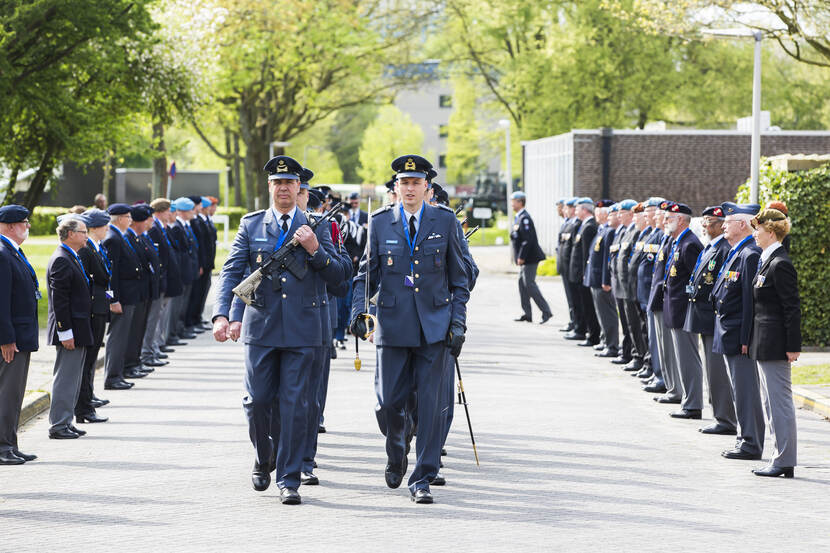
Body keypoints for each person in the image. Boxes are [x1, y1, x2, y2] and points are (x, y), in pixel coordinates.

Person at [213, 155, 345, 505]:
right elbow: (232, 271)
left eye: (290, 183)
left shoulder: (317, 225)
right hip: (262, 328)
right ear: (270, 187)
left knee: (295, 406)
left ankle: (288, 478)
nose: (284, 188)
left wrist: (315, 251)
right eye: (277, 183)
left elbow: (340, 277)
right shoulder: (251, 225)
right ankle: (263, 455)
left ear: (299, 187)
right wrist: (222, 315)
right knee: (256, 401)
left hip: (304, 331)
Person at [350, 154, 470, 505]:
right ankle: (397, 448)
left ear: (426, 187)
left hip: (434, 327)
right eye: (404, 183)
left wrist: (457, 322)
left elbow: (460, 280)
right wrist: (360, 311)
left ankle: (422, 476)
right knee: (388, 403)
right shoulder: (380, 222)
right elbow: (364, 275)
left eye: (416, 182)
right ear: (397, 187)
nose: (410, 188)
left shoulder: (445, 221)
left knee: (431, 406)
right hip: (392, 326)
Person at [749, 208, 800, 478]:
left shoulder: (781, 263)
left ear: (770, 232)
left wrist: (793, 346)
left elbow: (791, 307)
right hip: (764, 341)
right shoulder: (767, 260)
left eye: (758, 229)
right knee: (770, 403)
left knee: (779, 402)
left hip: (776, 343)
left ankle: (784, 459)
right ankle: (779, 456)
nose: (755, 234)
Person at [712, 202, 765, 460]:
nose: (723, 224)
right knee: (739, 390)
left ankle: (751, 443)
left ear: (742, 224)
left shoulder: (750, 254)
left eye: (728, 221)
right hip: (728, 330)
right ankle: (744, 438)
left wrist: (746, 338)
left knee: (745, 390)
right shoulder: (737, 252)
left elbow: (749, 302)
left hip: (738, 334)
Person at [682, 205, 736, 435]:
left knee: (717, 372)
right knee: (712, 371)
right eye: (704, 221)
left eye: (710, 221)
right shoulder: (710, 247)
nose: (705, 225)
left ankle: (725, 419)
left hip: (712, 317)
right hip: (702, 316)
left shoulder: (723, 248)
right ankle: (720, 416)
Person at [47, 215, 94, 439]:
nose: (87, 235)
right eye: (84, 232)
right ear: (71, 234)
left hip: (79, 327)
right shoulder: (62, 259)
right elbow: (60, 300)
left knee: (73, 377)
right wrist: (64, 331)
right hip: (70, 330)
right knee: (66, 377)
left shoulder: (72, 256)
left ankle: (66, 420)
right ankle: (58, 425)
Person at [0, 205, 40, 464]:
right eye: (24, 222)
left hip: (20, 335)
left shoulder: (12, 251)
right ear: (10, 225)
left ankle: (10, 444)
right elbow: (1, 301)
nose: (27, 226)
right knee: (7, 393)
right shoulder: (3, 254)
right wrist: (5, 338)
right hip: (11, 338)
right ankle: (3, 448)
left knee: (14, 395)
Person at [662, 202, 704, 419]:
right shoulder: (677, 242)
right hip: (675, 309)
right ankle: (689, 401)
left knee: (688, 358)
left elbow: (696, 280)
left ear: (680, 220)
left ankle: (693, 405)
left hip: (684, 310)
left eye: (668, 218)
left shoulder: (690, 244)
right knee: (682, 359)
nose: (664, 221)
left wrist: (689, 307)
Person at [74, 208, 112, 424]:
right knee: (87, 362)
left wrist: (110, 298)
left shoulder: (97, 247)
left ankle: (88, 401)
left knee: (90, 361)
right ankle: (84, 408)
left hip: (100, 307)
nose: (108, 228)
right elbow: (90, 282)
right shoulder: (86, 250)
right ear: (95, 227)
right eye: (104, 225)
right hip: (91, 311)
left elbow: (106, 280)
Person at [102, 204, 143, 389]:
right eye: (128, 216)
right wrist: (113, 299)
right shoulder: (113, 238)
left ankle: (117, 374)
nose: (130, 220)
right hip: (122, 298)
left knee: (123, 336)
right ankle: (112, 376)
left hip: (128, 296)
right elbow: (112, 274)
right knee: (117, 337)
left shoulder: (120, 236)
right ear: (119, 218)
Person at [510, 191, 551, 324]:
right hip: (525, 258)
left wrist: (521, 256)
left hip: (530, 258)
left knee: (529, 284)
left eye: (513, 201)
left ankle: (546, 312)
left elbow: (528, 240)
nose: (511, 204)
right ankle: (527, 313)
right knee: (522, 284)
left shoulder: (525, 218)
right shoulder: (518, 217)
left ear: (520, 202)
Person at [608, 200, 637, 365]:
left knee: (633, 325)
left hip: (628, 285)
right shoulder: (624, 232)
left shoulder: (634, 232)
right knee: (627, 324)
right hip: (620, 283)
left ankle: (634, 355)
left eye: (621, 213)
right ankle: (628, 353)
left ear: (631, 214)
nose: (619, 216)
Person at [569, 197, 599, 344]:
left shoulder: (589, 227)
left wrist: (583, 273)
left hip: (582, 273)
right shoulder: (583, 226)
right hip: (578, 272)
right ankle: (586, 331)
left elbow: (585, 254)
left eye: (578, 208)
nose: (575, 211)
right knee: (582, 304)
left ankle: (592, 335)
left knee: (588, 306)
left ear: (585, 209)